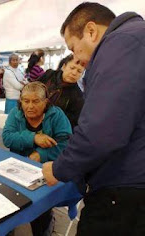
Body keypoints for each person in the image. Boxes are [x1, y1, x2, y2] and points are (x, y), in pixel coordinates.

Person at [42, 3, 145, 236]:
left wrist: (59, 169)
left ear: (91, 31)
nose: (76, 57)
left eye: (74, 48)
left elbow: (101, 132)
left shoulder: (122, 43)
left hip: (125, 191)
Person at [2, 82, 72, 236]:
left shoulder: (56, 115)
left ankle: (44, 227)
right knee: (5, 202)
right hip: (18, 167)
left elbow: (66, 145)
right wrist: (33, 138)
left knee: (40, 209)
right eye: (26, 101)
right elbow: (7, 138)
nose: (30, 106)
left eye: (36, 101)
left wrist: (41, 154)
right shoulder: (16, 113)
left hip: (46, 170)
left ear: (45, 102)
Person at [40, 54, 84, 128]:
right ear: (64, 67)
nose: (74, 73)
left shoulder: (78, 96)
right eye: (72, 68)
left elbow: (72, 121)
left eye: (79, 71)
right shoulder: (49, 75)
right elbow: (32, 87)